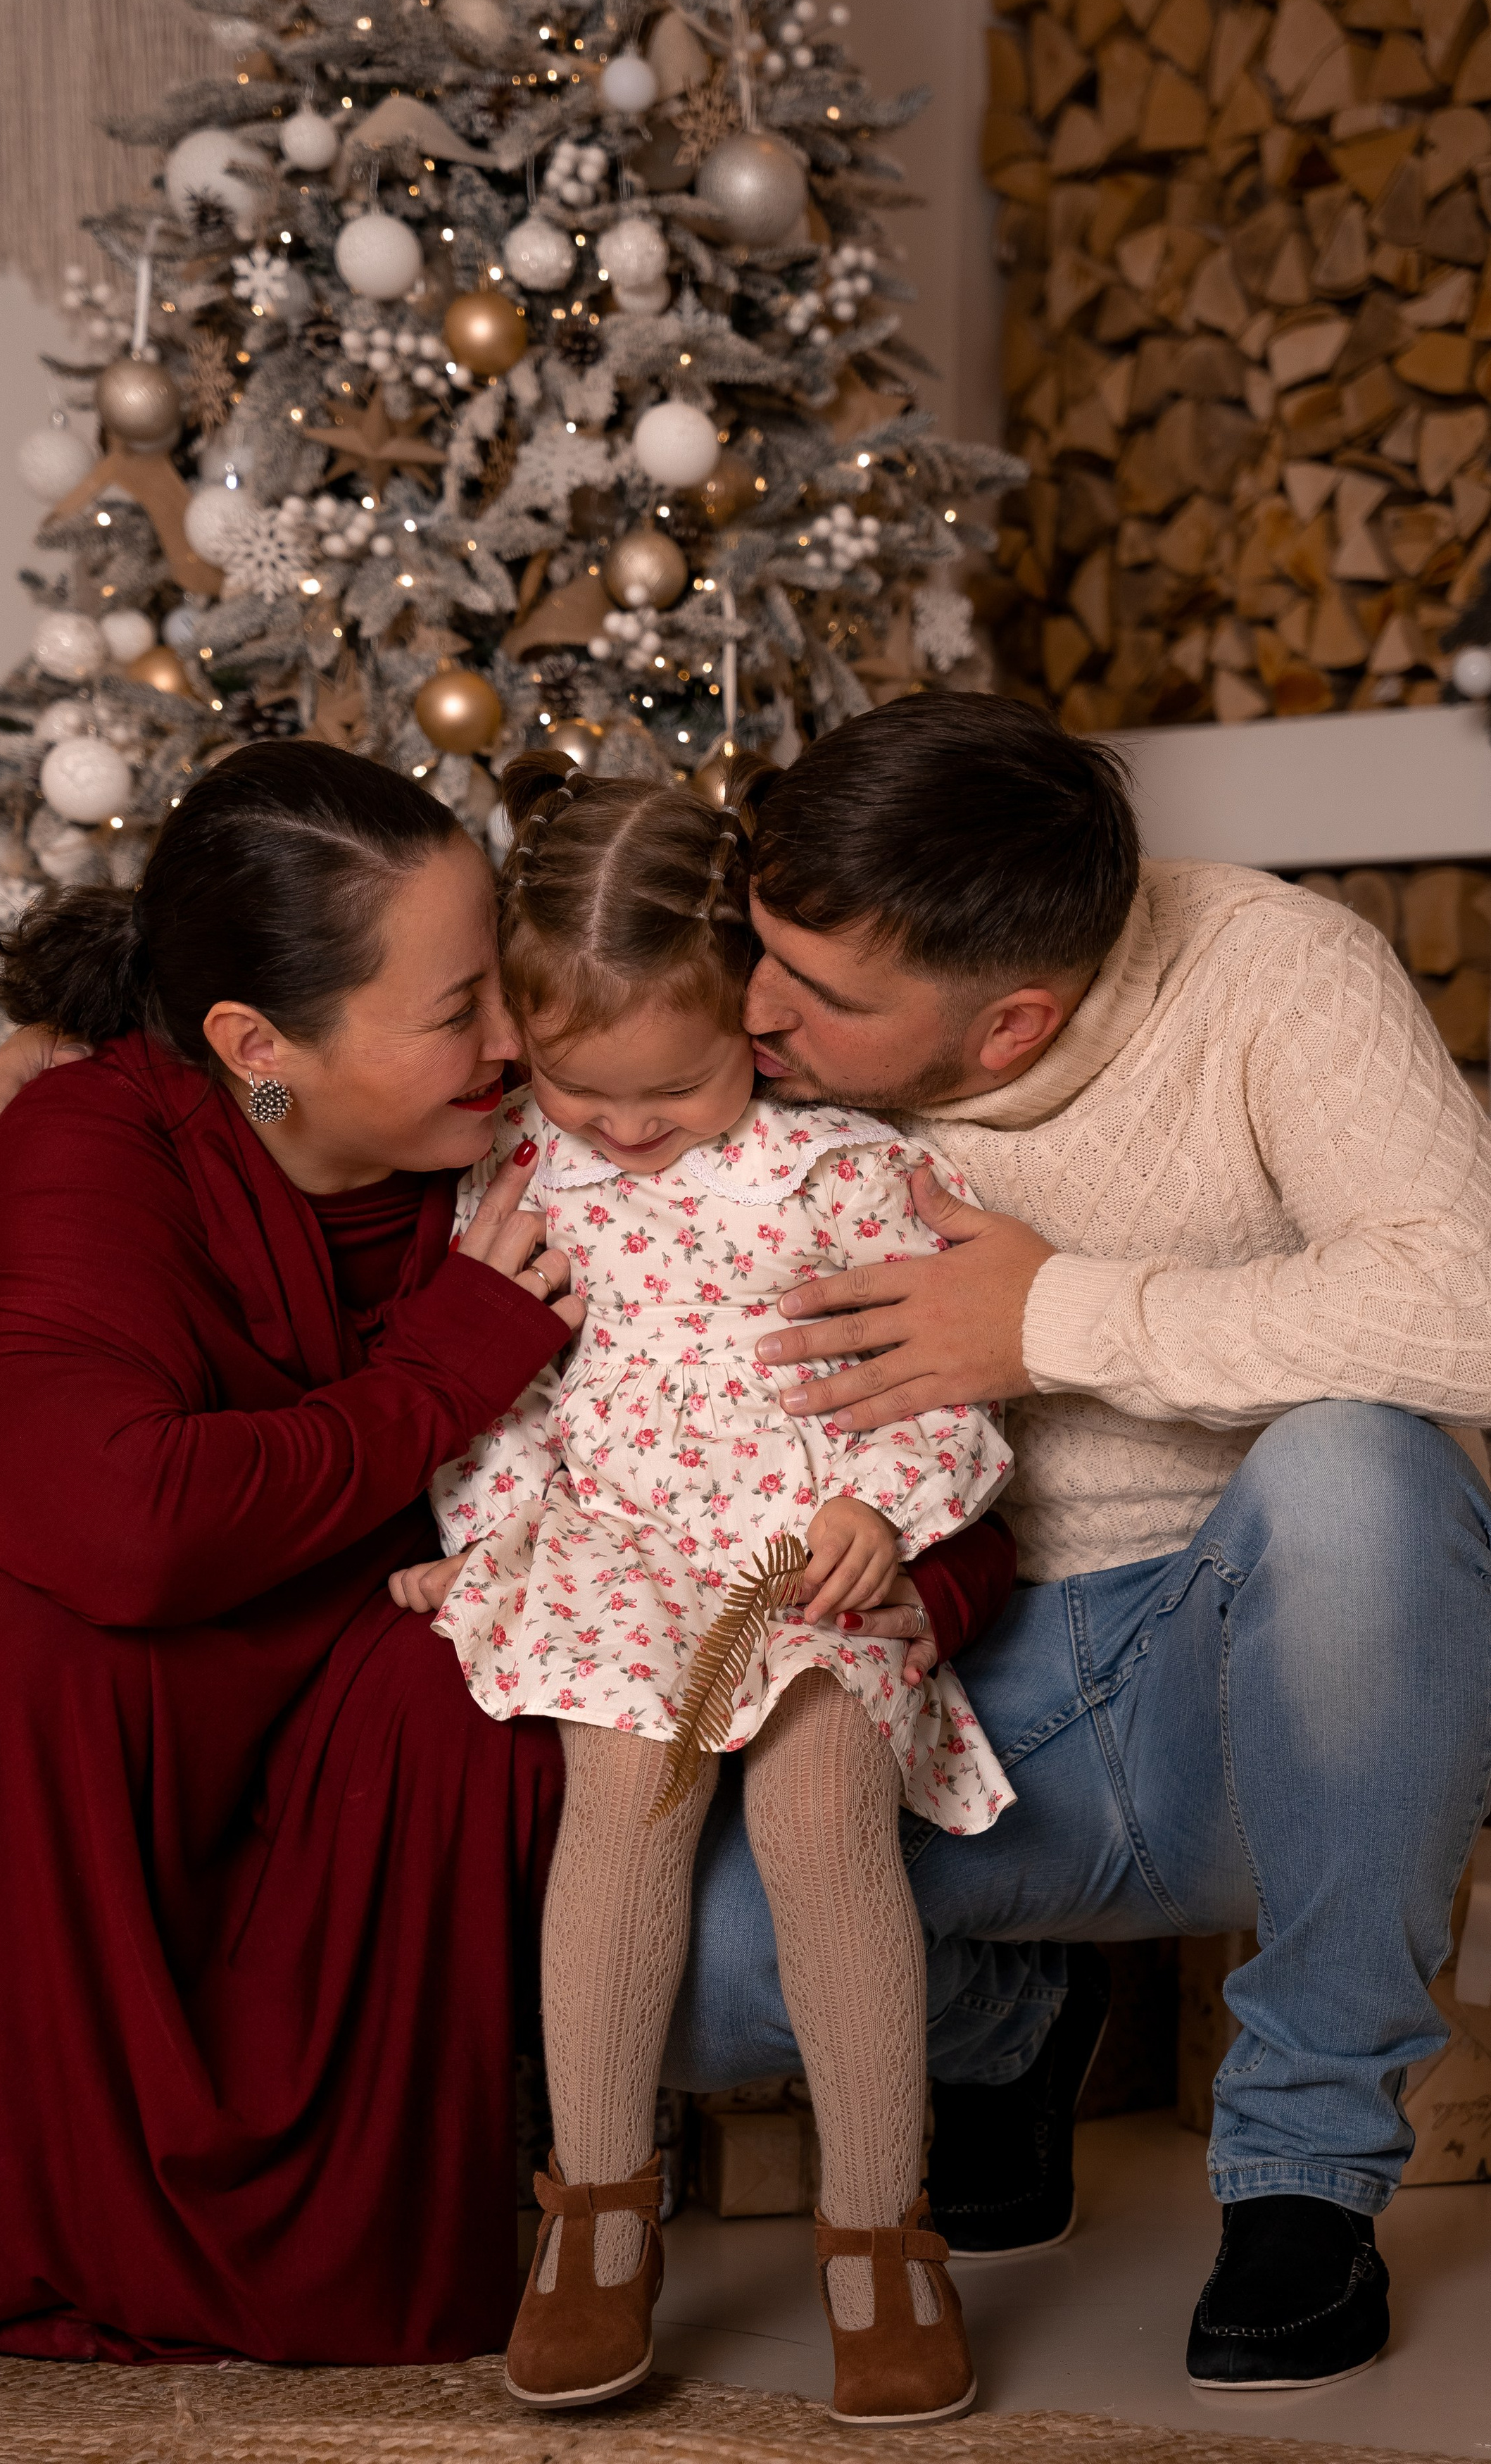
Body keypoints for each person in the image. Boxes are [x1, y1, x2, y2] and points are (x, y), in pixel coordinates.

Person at [665, 689, 1491, 2395]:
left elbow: (1467, 1309)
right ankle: (1010, 2033)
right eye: (759, 955)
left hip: (1266, 1689)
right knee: (692, 1983)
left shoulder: (1276, 971)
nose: (752, 1011)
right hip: (965, 1688)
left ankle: (1304, 2173)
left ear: (1009, 1027)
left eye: (822, 994)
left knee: (1356, 1465)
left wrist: (1052, 1320)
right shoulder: (758, 1053)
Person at [0, 742, 591, 2364]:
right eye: (457, 1010)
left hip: (346, 1608)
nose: (513, 1040)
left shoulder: (562, 1134)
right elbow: (126, 1530)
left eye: (510, 983)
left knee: (461, 1692)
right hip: (89, 1621)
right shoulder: (88, 1139)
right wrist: (441, 1372)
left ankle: (340, 2247)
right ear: (257, 1048)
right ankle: (27, 2228)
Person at [389, 757, 1019, 2426]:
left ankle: (879, 2236)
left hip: (804, 1553)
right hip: (618, 1559)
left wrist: (885, 1509)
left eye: (666, 1087)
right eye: (579, 1086)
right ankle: (594, 2215)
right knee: (623, 1801)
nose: (620, 1127)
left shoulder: (847, 1174)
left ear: (748, 1007)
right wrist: (497, 1548)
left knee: (821, 1822)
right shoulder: (523, 1174)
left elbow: (953, 1375)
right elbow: (506, 1391)